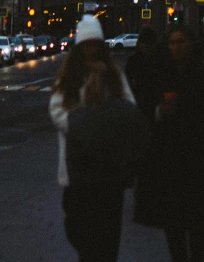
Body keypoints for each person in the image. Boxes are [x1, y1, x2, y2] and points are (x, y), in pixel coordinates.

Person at [49, 15, 139, 262]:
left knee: (108, 238)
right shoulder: (69, 76)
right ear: (79, 48)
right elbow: (57, 111)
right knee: (78, 229)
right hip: (78, 166)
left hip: (109, 169)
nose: (91, 50)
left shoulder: (113, 74)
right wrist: (82, 127)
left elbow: (128, 108)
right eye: (86, 45)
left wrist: (107, 117)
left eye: (95, 44)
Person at [144, 25, 204, 262]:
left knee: (197, 222)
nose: (176, 47)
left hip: (197, 155)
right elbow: (146, 107)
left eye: (181, 41)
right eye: (172, 43)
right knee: (174, 221)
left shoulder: (199, 71)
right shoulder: (161, 73)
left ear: (191, 44)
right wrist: (159, 111)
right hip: (169, 158)